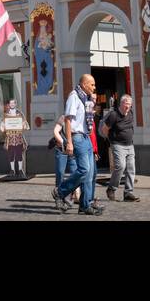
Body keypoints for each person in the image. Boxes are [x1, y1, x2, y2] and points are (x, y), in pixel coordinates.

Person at [56, 73, 104, 215]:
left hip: (86, 137)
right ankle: (60, 191)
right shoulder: (74, 96)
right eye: (92, 84)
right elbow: (68, 120)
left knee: (90, 173)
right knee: (84, 170)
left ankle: (85, 205)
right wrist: (69, 142)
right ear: (84, 84)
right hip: (77, 137)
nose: (94, 87)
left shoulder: (86, 99)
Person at [102, 94, 139, 202]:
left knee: (131, 169)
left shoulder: (130, 113)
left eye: (129, 105)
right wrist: (111, 141)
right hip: (117, 145)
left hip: (130, 145)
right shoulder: (113, 115)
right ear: (121, 104)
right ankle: (111, 189)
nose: (127, 107)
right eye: (126, 104)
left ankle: (128, 193)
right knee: (120, 166)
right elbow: (105, 129)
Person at [0, 100, 30, 181]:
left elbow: (25, 124)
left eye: (13, 103)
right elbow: (2, 125)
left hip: (18, 137)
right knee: (11, 155)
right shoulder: (6, 114)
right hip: (10, 138)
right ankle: (12, 170)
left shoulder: (19, 113)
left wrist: (22, 126)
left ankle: (20, 170)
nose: (12, 105)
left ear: (15, 104)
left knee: (19, 155)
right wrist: (3, 128)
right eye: (10, 103)